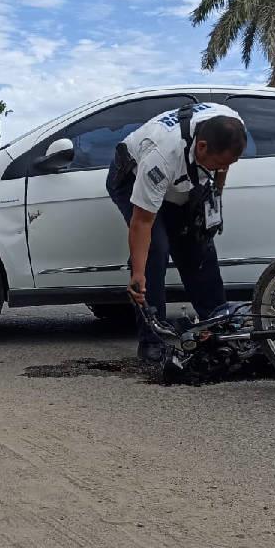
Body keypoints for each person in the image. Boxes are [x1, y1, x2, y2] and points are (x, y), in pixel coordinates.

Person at [105, 102, 247, 363]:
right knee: (155, 250)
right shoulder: (160, 158)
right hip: (131, 176)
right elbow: (142, 222)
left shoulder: (231, 125)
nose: (220, 168)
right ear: (201, 146)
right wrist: (137, 275)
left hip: (183, 181)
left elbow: (224, 165)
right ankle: (152, 340)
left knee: (199, 243)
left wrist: (214, 195)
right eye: (216, 164)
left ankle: (216, 326)